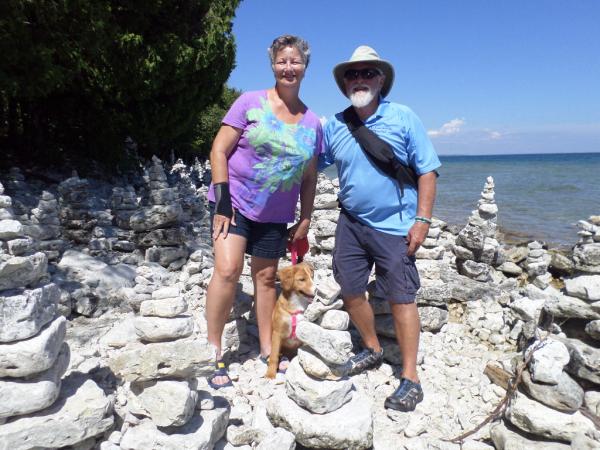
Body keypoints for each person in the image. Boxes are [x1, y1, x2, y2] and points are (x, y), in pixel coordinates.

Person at [320, 45, 441, 411]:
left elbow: (427, 171)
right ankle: (372, 348)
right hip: (351, 224)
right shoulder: (336, 125)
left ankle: (410, 377)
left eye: (368, 72)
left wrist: (422, 220)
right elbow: (310, 163)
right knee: (351, 289)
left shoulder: (404, 117)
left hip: (396, 227)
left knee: (402, 297)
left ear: (381, 79)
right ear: (344, 83)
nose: (360, 79)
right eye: (352, 74)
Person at [205, 35, 322, 389]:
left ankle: (267, 349)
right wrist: (222, 201)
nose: (289, 67)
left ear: (305, 66)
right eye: (282, 61)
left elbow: (310, 176)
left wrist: (305, 217)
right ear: (273, 65)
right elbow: (218, 150)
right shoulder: (249, 102)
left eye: (295, 61)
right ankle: (212, 350)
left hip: (275, 214)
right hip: (234, 202)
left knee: (266, 279)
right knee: (227, 270)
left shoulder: (313, 122)